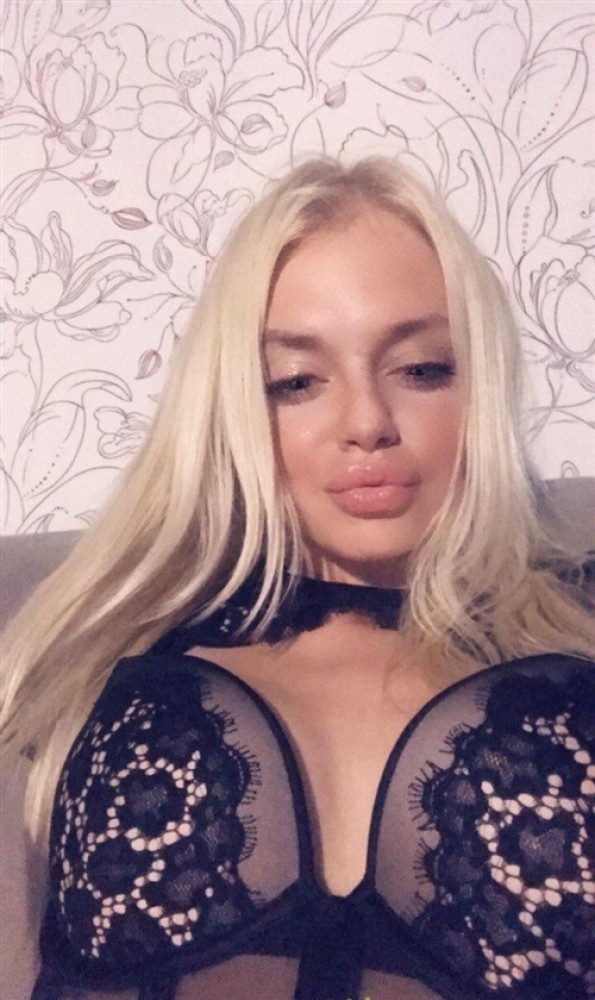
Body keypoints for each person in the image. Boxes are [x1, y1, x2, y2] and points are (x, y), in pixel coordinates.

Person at [1, 156, 594, 1000]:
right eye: (296, 382)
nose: (367, 422)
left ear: (480, 388)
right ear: (234, 408)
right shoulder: (116, 684)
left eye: (422, 369)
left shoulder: (575, 643)